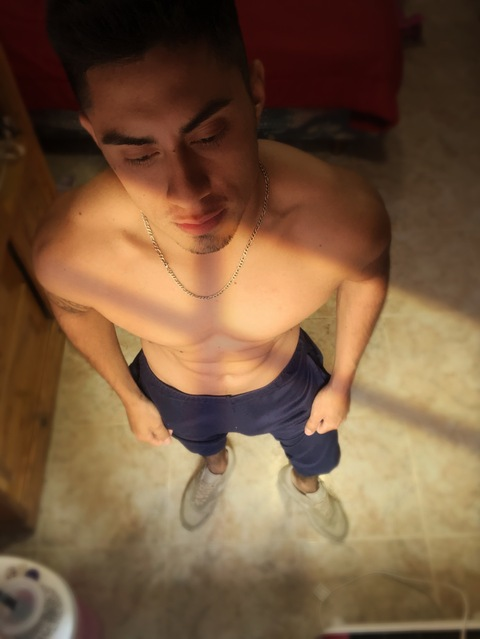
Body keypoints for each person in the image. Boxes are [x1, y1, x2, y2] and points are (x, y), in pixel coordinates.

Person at [36, 0, 390, 541]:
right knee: (205, 448)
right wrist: (130, 396)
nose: (187, 193)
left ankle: (305, 485)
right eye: (139, 154)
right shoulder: (71, 252)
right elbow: (73, 307)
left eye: (207, 136)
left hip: (283, 379)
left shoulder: (343, 218)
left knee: (314, 454)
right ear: (92, 131)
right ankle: (215, 467)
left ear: (255, 91)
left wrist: (341, 381)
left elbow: (367, 276)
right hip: (173, 388)